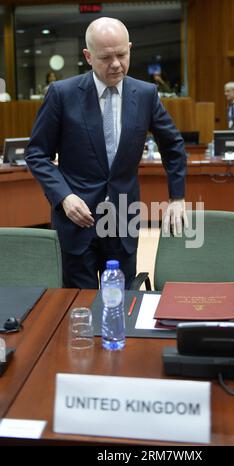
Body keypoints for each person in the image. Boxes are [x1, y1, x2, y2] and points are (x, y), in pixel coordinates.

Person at [25, 17, 187, 290]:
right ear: (88, 56)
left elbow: (173, 146)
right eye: (105, 57)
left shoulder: (146, 94)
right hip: (77, 219)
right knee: (79, 306)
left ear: (130, 49)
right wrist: (63, 197)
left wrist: (178, 197)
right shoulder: (62, 94)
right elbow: (37, 154)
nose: (115, 64)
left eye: (122, 55)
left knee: (122, 302)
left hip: (123, 218)